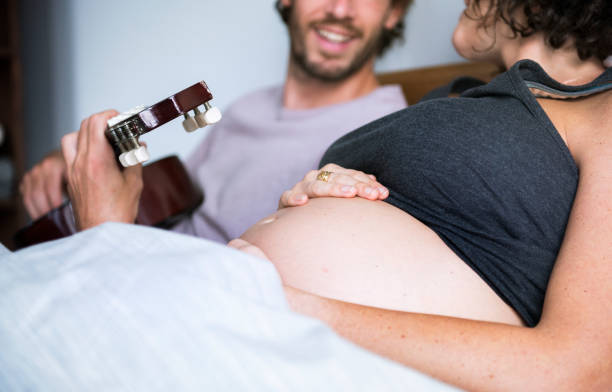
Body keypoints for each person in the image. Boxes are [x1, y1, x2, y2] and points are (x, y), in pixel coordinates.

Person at [13, 0, 612, 390]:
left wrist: (273, 298)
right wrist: (315, 191)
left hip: (259, 327)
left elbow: (577, 372)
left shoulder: (605, 114)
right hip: (217, 323)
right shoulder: (464, 102)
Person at [18, 0, 410, 243]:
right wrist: (68, 167)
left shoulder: (388, 132)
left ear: (394, 13)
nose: (340, 9)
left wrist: (104, 231)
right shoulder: (246, 108)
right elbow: (159, 203)